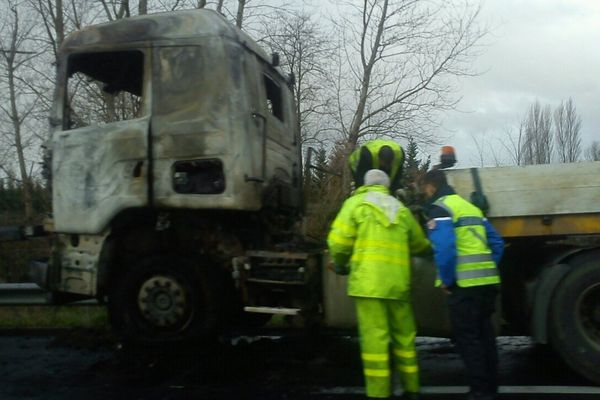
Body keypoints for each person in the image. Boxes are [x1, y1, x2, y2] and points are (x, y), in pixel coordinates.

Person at [328, 169, 430, 400]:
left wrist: (342, 264)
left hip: (368, 285)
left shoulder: (355, 204)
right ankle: (412, 388)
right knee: (404, 338)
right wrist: (435, 250)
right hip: (398, 285)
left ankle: (379, 393)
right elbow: (419, 245)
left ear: (365, 184)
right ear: (386, 186)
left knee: (376, 341)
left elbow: (338, 243)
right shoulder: (400, 209)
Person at [420, 169, 504, 400]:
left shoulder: (440, 208)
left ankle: (479, 391)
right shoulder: (471, 207)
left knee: (469, 339)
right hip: (487, 283)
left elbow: (445, 250)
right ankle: (491, 387)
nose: (424, 194)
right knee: (485, 336)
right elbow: (497, 242)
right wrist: (487, 267)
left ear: (431, 186)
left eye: (424, 189)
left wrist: (447, 280)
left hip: (463, 286)